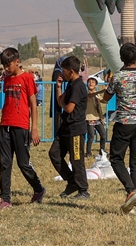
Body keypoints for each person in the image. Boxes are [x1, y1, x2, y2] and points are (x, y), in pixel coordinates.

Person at [100, 44, 136, 215]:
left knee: (116, 159)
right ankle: (132, 205)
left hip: (124, 123)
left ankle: (131, 191)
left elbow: (105, 98)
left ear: (121, 58)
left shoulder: (117, 77)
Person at [0, 47, 44, 211]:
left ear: (17, 62)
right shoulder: (6, 79)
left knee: (23, 163)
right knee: (5, 163)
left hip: (21, 126)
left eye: (8, 65)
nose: (6, 68)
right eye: (4, 65)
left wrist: (34, 128)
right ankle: (5, 199)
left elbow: (33, 105)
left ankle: (38, 188)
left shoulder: (27, 78)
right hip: (5, 125)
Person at [49, 55, 89, 200]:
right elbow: (60, 101)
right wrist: (58, 88)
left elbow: (69, 108)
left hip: (75, 130)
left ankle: (83, 189)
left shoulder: (78, 86)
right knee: (54, 154)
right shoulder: (71, 85)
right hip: (65, 129)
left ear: (71, 71)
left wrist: (64, 105)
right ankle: (72, 181)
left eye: (64, 71)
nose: (62, 73)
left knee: (76, 160)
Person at [84, 76, 107, 159]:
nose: (91, 83)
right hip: (89, 118)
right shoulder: (86, 93)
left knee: (103, 135)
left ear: (96, 85)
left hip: (98, 118)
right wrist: (101, 91)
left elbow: (104, 101)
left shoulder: (97, 95)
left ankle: (102, 151)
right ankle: (88, 152)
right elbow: (90, 95)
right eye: (89, 82)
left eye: (93, 82)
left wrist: (107, 92)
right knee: (91, 136)